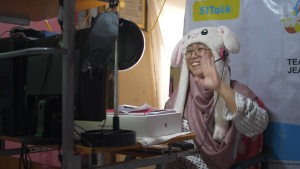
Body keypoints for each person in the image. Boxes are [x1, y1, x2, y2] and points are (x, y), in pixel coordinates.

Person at [165, 26, 269, 169]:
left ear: (218, 54)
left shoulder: (236, 92)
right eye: (189, 51)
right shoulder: (180, 97)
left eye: (200, 49)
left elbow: (258, 125)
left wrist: (220, 87)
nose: (193, 55)